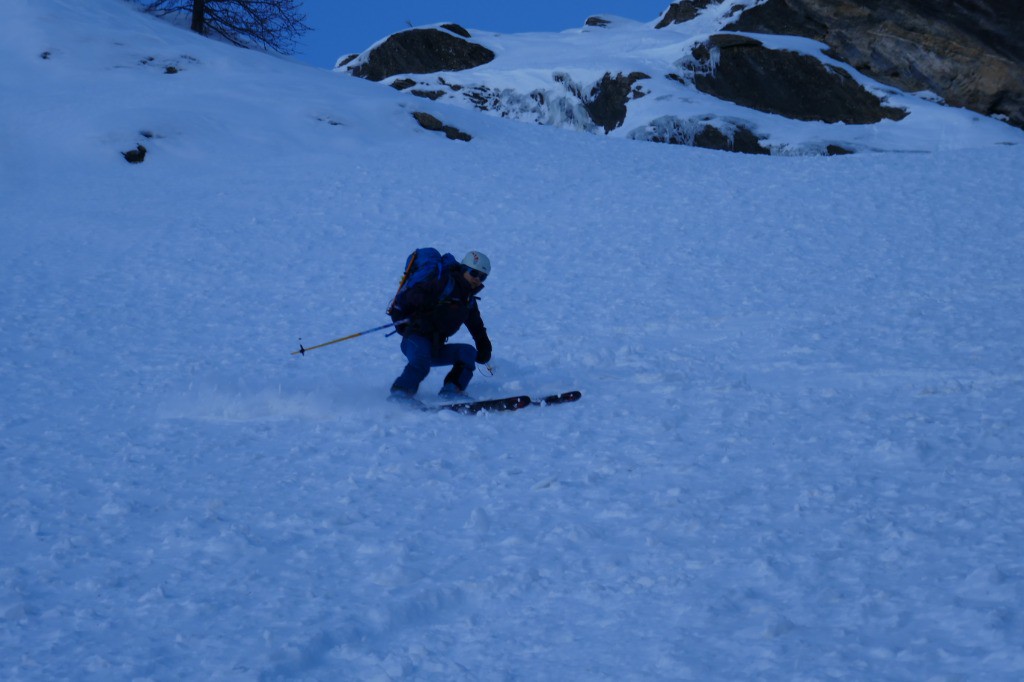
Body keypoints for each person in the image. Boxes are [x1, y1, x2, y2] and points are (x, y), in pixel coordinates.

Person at [389, 251, 493, 399]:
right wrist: (410, 323)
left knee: (467, 353)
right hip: (414, 340)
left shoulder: (467, 300)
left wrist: (484, 346)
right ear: (464, 269)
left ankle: (452, 391)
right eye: (474, 273)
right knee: (421, 361)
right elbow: (402, 304)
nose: (477, 279)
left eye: (482, 276)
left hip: (435, 345)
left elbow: (476, 325)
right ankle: (400, 393)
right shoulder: (441, 283)